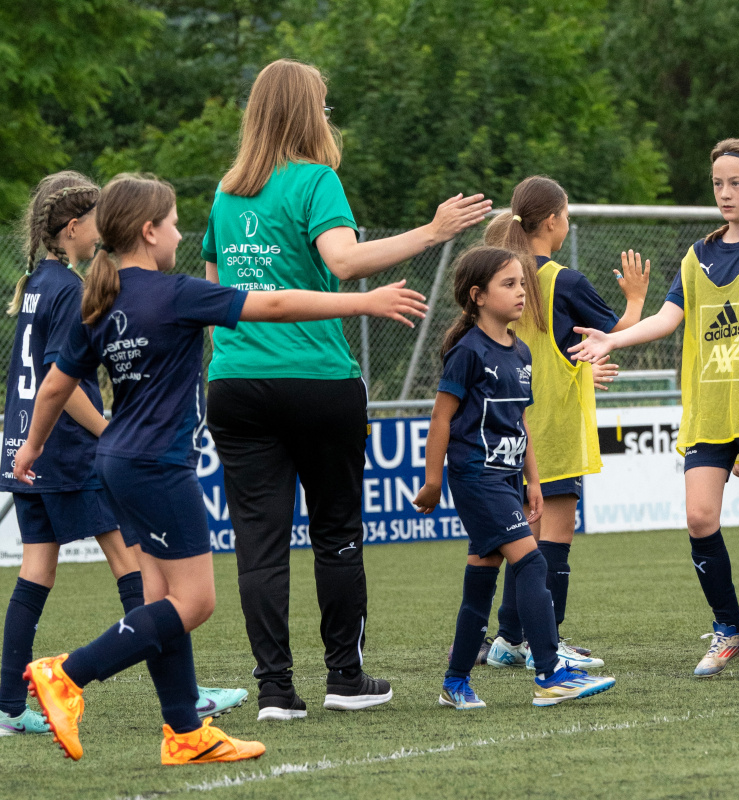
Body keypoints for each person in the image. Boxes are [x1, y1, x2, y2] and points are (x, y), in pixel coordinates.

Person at [14, 172, 427, 763]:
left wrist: (31, 446)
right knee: (195, 604)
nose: (181, 234)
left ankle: (185, 733)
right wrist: (363, 300)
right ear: (149, 232)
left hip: (117, 463)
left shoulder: (99, 300)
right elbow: (275, 304)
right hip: (158, 467)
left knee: (159, 599)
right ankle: (68, 673)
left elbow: (55, 385)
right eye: (174, 223)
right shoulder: (177, 293)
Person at [201, 58, 492, 719]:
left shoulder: (225, 193)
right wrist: (433, 232)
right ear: (307, 113)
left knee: (259, 544)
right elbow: (343, 261)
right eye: (323, 105)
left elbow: (217, 292)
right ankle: (344, 679)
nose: (328, 116)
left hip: (236, 384)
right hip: (317, 380)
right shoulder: (316, 179)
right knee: (335, 532)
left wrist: (244, 356)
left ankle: (275, 691)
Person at [0, 172, 246, 737]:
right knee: (144, 574)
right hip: (76, 452)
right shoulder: (74, 290)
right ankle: (158, 693)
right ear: (73, 227)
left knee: (41, 571)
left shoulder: (39, 282)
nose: (100, 233)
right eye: (94, 221)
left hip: (31, 446)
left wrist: (31, 443)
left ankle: (11, 699)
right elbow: (61, 386)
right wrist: (111, 428)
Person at [570, 138, 739, 680]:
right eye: (718, 183)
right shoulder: (697, 255)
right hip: (708, 413)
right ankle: (728, 628)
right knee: (699, 518)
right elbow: (667, 318)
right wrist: (612, 339)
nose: (725, 192)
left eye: (736, 182)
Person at [413, 245, 616, 708]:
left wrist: (534, 482)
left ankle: (455, 683)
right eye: (509, 284)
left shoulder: (521, 351)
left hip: (507, 481)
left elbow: (521, 422)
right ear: (478, 296)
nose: (522, 292)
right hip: (476, 478)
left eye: (523, 283)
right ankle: (550, 674)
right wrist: (433, 481)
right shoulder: (467, 352)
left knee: (480, 582)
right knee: (532, 563)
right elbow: (441, 418)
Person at [480, 177, 649, 671]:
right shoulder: (564, 281)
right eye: (567, 215)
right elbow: (617, 334)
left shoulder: (499, 279)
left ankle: (510, 638)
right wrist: (636, 299)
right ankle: (545, 643)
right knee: (554, 541)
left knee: (524, 538)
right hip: (553, 427)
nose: (567, 223)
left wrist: (577, 368)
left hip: (507, 424)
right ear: (552, 221)